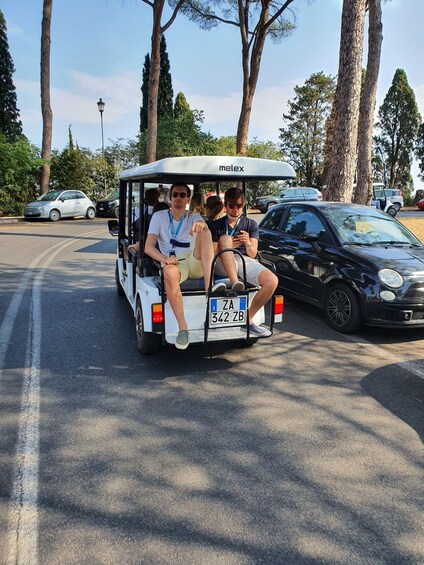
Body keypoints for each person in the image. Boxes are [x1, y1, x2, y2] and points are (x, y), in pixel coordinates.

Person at [144, 182, 225, 350]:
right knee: (169, 272)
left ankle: (209, 290)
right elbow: (148, 247)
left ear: (188, 199)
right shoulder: (159, 217)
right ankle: (183, 328)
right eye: (175, 194)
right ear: (169, 197)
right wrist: (164, 258)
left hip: (194, 260)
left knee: (206, 231)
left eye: (182, 195)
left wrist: (202, 225)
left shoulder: (193, 216)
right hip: (174, 261)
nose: (178, 198)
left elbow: (202, 225)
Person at [208, 187, 278, 337]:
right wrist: (226, 245)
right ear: (225, 206)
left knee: (272, 280)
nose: (235, 210)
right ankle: (236, 284)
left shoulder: (251, 224)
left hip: (242, 260)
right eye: (231, 206)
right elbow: (211, 253)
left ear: (243, 205)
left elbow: (252, 254)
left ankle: (248, 318)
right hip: (220, 261)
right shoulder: (215, 225)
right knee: (225, 239)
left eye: (239, 206)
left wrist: (247, 243)